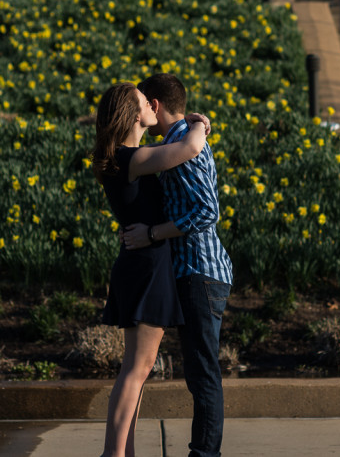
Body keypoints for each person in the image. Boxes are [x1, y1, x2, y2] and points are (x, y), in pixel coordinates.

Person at [92, 82, 211, 457]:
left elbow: (167, 151)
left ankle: (123, 453)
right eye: (146, 103)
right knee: (136, 371)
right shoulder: (130, 160)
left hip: (142, 267)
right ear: (133, 114)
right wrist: (200, 125)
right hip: (146, 269)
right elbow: (190, 148)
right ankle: (113, 454)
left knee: (137, 370)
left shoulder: (129, 157)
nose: (153, 107)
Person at [122, 73, 233, 457]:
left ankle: (205, 454)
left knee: (202, 373)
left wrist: (153, 233)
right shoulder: (184, 138)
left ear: (154, 106)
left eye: (142, 104)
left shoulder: (184, 144)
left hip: (200, 273)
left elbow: (207, 212)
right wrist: (201, 124)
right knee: (199, 372)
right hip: (196, 272)